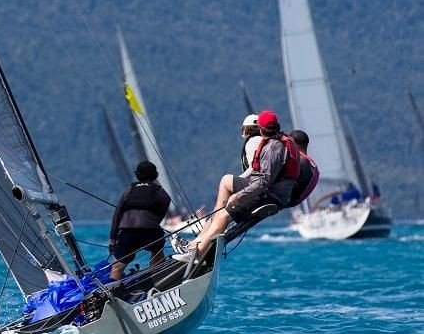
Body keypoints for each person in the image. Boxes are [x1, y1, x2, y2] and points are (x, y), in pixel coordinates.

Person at [177, 110, 300, 260]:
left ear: (260, 129)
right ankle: (197, 245)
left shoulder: (272, 147)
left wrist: (238, 196)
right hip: (276, 193)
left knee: (222, 214)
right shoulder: (284, 141)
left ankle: (197, 252)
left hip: (269, 194)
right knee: (222, 211)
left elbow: (263, 181)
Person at [109, 161, 171, 281]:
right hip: (151, 231)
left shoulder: (129, 191)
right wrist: (155, 220)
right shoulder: (158, 191)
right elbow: (166, 202)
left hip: (127, 232)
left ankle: (113, 291)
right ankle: (159, 281)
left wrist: (112, 240)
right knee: (157, 253)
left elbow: (116, 216)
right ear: (155, 175)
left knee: (117, 266)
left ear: (137, 175)